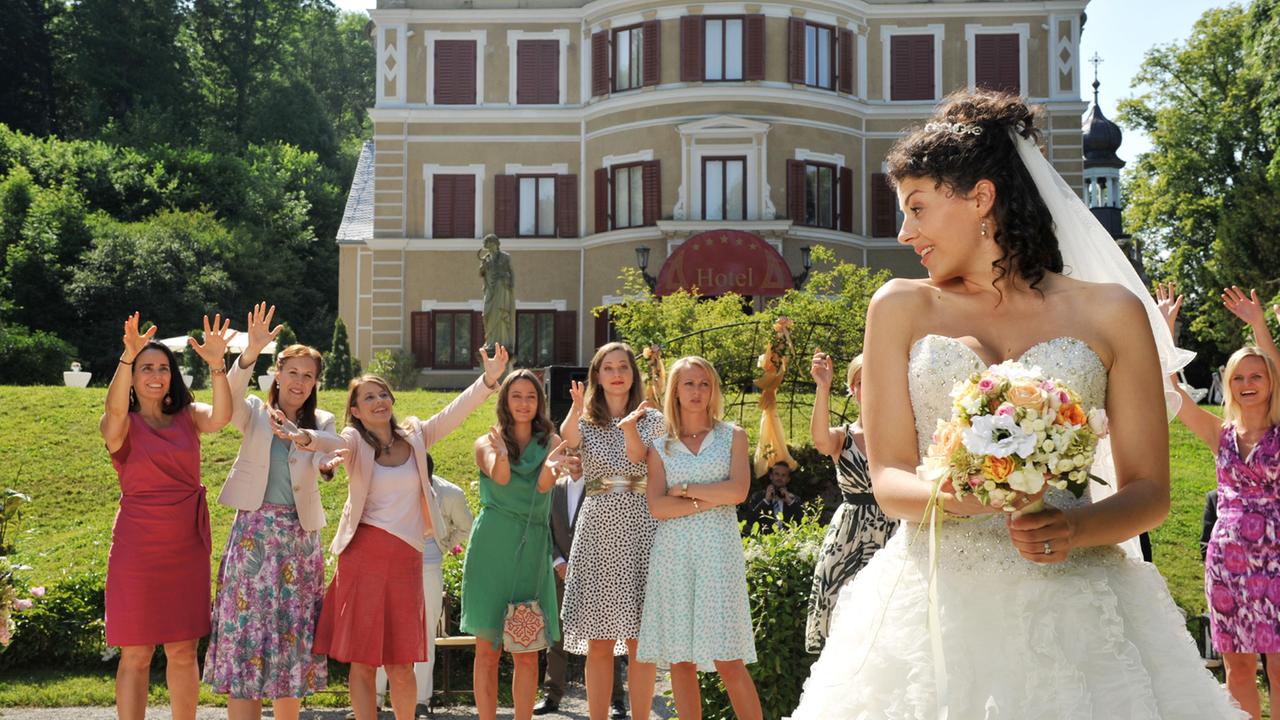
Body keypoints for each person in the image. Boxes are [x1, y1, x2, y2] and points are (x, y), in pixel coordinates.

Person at [791, 90, 1243, 718]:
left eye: (917, 207)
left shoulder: (1112, 312)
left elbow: (1149, 491)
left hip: (1076, 605)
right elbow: (890, 476)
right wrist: (954, 497)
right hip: (933, 603)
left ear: (979, 198)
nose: (904, 232)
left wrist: (1077, 526)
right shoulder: (898, 306)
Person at [295, 345, 508, 720]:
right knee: (363, 663)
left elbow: (453, 413)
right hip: (363, 559)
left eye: (383, 394)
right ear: (356, 411)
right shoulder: (355, 439)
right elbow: (334, 443)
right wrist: (307, 439)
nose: (379, 401)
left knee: (401, 664)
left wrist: (488, 380)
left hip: (407, 561)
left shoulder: (415, 436)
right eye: (368, 397)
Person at [203, 304, 343, 720]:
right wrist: (249, 354)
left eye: (308, 375)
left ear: (316, 382)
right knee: (246, 637)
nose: (300, 382)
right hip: (253, 535)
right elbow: (225, 402)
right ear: (277, 374)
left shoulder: (323, 421)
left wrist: (314, 450)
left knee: (290, 642)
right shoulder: (254, 412)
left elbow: (328, 450)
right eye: (293, 372)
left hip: (299, 543)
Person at [100, 312, 234, 720]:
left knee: (181, 648)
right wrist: (127, 355)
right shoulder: (120, 425)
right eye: (146, 369)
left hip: (185, 544)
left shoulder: (189, 417)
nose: (155, 375)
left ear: (172, 375)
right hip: (137, 547)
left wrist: (216, 364)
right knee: (136, 651)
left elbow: (223, 417)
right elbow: (114, 412)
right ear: (133, 376)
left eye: (162, 368)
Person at [1159, 282, 1280, 719]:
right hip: (1227, 562)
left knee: (1279, 668)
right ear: (1229, 385)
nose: (1248, 384)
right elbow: (1172, 391)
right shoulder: (1219, 434)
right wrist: (1166, 328)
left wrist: (1258, 325)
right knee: (1237, 668)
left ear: (1270, 381)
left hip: (1277, 561)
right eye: (1238, 378)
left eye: (1256, 375)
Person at [638, 356, 762, 720]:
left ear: (713, 391)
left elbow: (738, 491)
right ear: (675, 391)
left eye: (704, 384)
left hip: (718, 557)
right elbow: (658, 507)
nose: (697, 391)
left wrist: (687, 489)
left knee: (729, 659)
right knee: (681, 661)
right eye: (689, 384)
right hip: (674, 557)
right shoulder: (660, 446)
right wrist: (706, 500)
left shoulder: (733, 436)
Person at [558, 342, 662, 720]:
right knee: (599, 640)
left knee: (640, 641)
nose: (617, 373)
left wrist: (631, 425)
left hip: (642, 526)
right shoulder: (585, 420)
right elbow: (568, 440)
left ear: (633, 374)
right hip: (599, 526)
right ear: (597, 377)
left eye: (624, 367)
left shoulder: (652, 419)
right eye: (608, 368)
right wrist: (575, 406)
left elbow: (639, 461)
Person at [464, 369, 574, 720]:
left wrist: (553, 464)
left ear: (539, 401)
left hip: (531, 550)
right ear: (505, 401)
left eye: (531, 396)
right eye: (516, 395)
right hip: (491, 548)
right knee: (488, 649)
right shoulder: (485, 442)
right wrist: (499, 452)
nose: (524, 403)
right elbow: (502, 477)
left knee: (527, 650)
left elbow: (543, 488)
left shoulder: (551, 441)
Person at [803, 351, 894, 653]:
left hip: (896, 531)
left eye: (871, 380)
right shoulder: (843, 437)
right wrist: (822, 388)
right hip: (850, 534)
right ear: (852, 389)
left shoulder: (902, 434)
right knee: (845, 621)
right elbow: (819, 440)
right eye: (858, 382)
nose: (864, 388)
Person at [372, 464, 475, 718]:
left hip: (428, 567)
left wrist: (442, 546)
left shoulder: (449, 493)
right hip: (392, 568)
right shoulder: (393, 489)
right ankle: (374, 699)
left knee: (426, 633)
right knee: (386, 633)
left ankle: (420, 701)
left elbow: (466, 526)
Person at [538, 457, 626, 716]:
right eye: (571, 453)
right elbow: (546, 528)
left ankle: (615, 701)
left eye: (581, 452)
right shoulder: (554, 488)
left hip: (596, 575)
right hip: (560, 574)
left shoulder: (601, 487)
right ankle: (551, 696)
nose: (576, 459)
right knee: (556, 637)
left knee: (604, 640)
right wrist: (558, 562)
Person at [744, 461, 803, 532]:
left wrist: (790, 502)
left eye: (783, 475)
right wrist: (766, 501)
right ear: (771, 476)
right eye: (776, 474)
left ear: (788, 479)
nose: (779, 478)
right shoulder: (758, 497)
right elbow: (749, 520)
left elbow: (803, 521)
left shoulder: (794, 499)